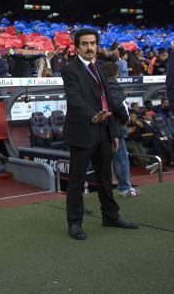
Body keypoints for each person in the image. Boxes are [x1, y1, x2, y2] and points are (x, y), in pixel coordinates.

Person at [61, 28, 138, 241]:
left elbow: (110, 100)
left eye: (93, 43)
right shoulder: (70, 70)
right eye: (85, 44)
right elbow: (74, 99)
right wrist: (93, 116)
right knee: (76, 180)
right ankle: (75, 223)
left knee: (105, 177)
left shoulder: (101, 68)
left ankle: (111, 216)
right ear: (76, 47)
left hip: (104, 130)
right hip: (82, 131)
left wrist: (114, 131)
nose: (89, 47)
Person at [103, 62, 139, 197]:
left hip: (105, 126)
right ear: (115, 72)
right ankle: (124, 187)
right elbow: (118, 104)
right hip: (115, 126)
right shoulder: (112, 84)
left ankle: (111, 189)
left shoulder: (101, 84)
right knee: (121, 158)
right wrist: (125, 118)